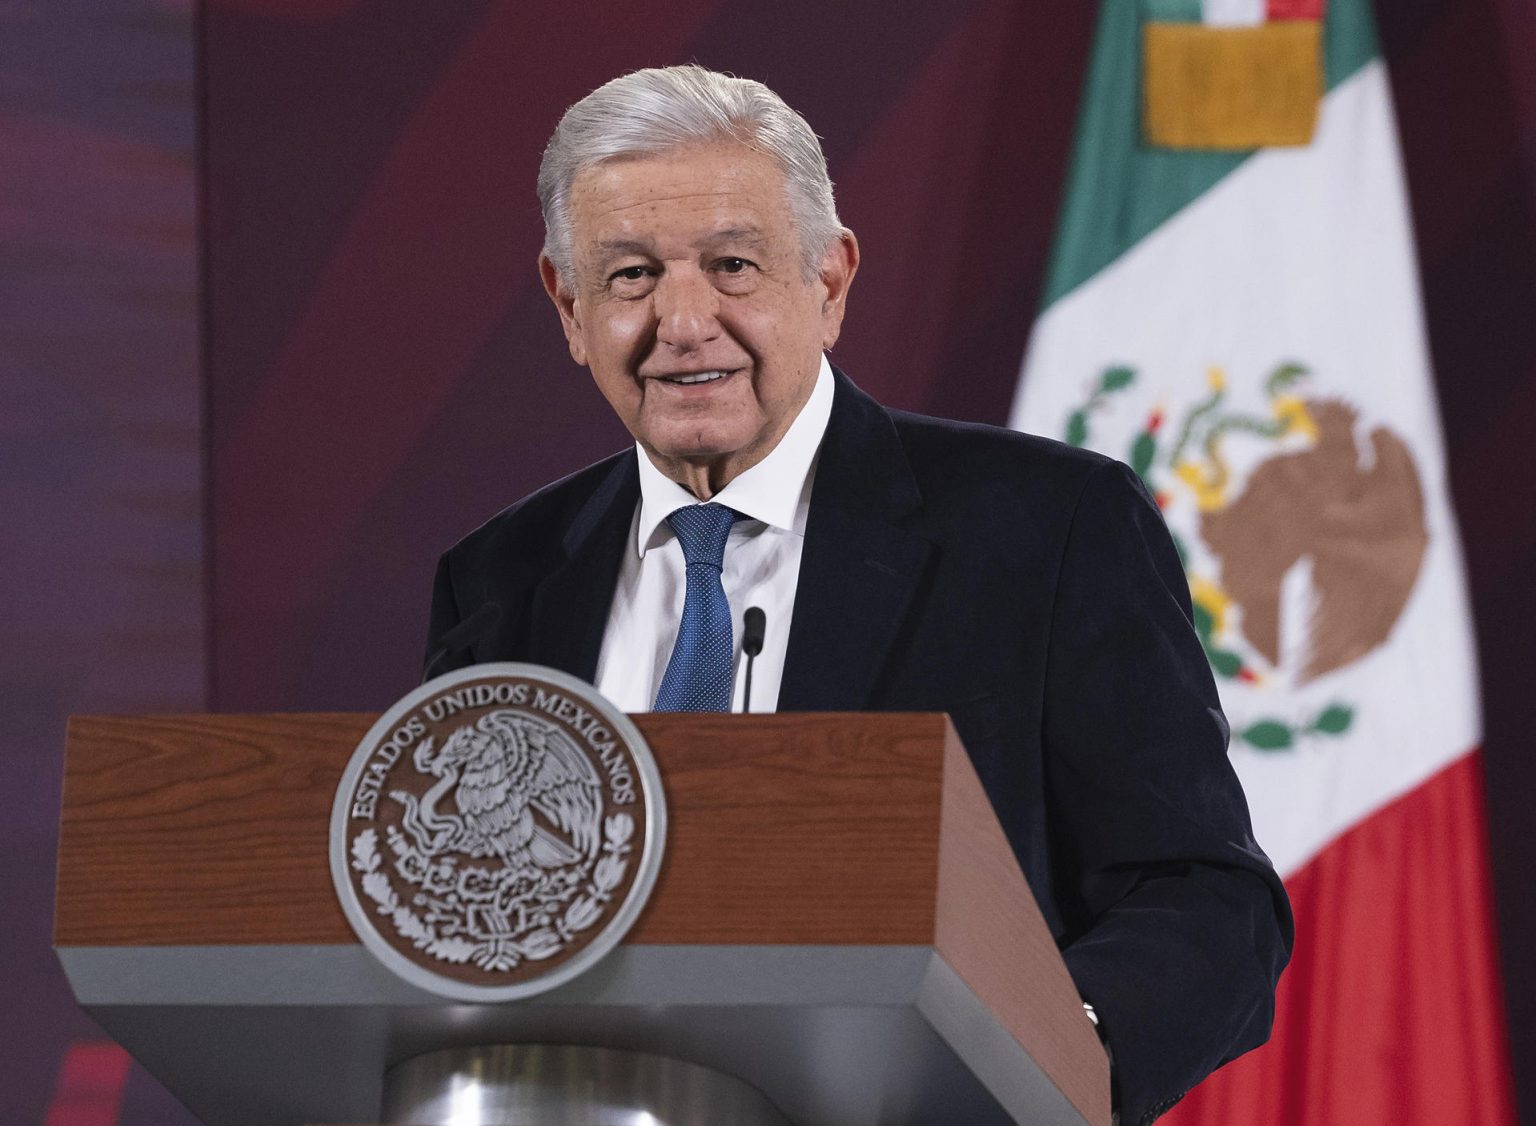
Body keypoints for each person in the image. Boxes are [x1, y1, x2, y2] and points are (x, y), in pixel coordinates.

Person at [426, 64, 1292, 1125]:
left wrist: (1034, 1061)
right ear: (569, 306)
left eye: (733, 266)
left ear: (829, 283)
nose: (683, 319)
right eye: (631, 276)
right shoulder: (501, 575)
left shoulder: (1050, 528)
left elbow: (1207, 902)